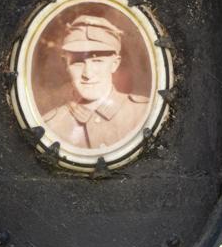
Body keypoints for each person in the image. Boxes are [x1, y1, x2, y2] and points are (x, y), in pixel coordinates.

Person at [43, 14, 150, 149]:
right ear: (65, 64)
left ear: (115, 64)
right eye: (78, 62)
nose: (88, 74)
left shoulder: (144, 113)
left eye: (97, 61)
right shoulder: (50, 126)